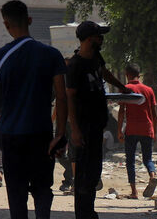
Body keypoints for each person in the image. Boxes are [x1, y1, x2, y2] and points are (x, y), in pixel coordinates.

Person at [0, 0, 68, 219]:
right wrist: (60, 135)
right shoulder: (52, 55)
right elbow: (61, 97)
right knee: (42, 188)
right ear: (30, 20)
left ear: (6, 24)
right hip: (42, 134)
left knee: (16, 192)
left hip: (11, 134)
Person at [66, 20, 128, 218]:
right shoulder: (75, 65)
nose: (101, 40)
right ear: (89, 39)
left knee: (93, 174)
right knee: (84, 176)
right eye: (98, 36)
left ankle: (89, 212)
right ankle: (83, 214)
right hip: (83, 129)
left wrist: (121, 86)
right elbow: (70, 98)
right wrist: (74, 130)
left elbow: (103, 72)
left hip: (96, 127)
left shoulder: (95, 57)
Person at [119, 62, 157, 199]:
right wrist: (155, 130)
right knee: (148, 158)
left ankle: (134, 192)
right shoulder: (148, 90)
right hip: (147, 128)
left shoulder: (125, 88)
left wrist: (119, 130)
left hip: (131, 129)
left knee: (130, 161)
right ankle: (152, 176)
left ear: (127, 74)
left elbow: (121, 112)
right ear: (139, 74)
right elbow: (154, 113)